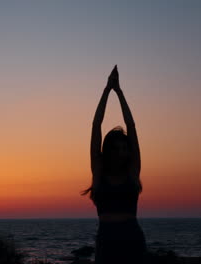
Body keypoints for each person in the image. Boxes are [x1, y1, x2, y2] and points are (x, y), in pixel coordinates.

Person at [83, 65, 146, 264]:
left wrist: (119, 92)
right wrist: (107, 90)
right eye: (115, 148)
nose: (121, 153)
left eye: (124, 148)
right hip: (106, 242)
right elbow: (96, 126)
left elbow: (132, 127)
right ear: (107, 151)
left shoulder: (132, 171)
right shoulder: (99, 171)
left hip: (132, 240)